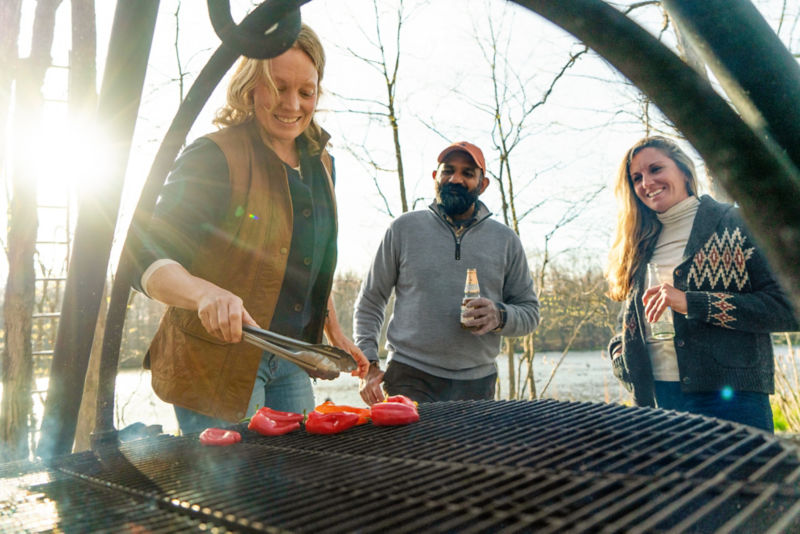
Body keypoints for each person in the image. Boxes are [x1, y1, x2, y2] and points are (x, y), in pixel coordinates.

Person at [133, 25, 369, 434]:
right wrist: (204, 293)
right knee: (232, 489)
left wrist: (333, 330)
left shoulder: (322, 164)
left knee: (296, 476)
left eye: (306, 92)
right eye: (277, 88)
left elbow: (303, 260)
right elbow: (144, 255)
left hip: (291, 357)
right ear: (250, 87)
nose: (292, 104)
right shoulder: (213, 156)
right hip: (214, 365)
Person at [605, 136, 798, 432]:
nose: (646, 182)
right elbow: (629, 320)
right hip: (657, 401)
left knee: (745, 480)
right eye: (636, 178)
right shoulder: (638, 242)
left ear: (683, 170)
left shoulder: (736, 223)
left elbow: (788, 308)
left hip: (733, 400)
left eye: (656, 169)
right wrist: (621, 355)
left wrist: (692, 302)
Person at [354, 141, 540, 405]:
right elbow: (370, 302)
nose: (456, 179)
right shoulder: (403, 229)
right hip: (409, 376)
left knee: (471, 450)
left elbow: (530, 312)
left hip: (478, 383)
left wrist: (499, 316)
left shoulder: (506, 240)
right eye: (448, 171)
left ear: (482, 184)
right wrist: (369, 362)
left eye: (467, 173)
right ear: (435, 178)